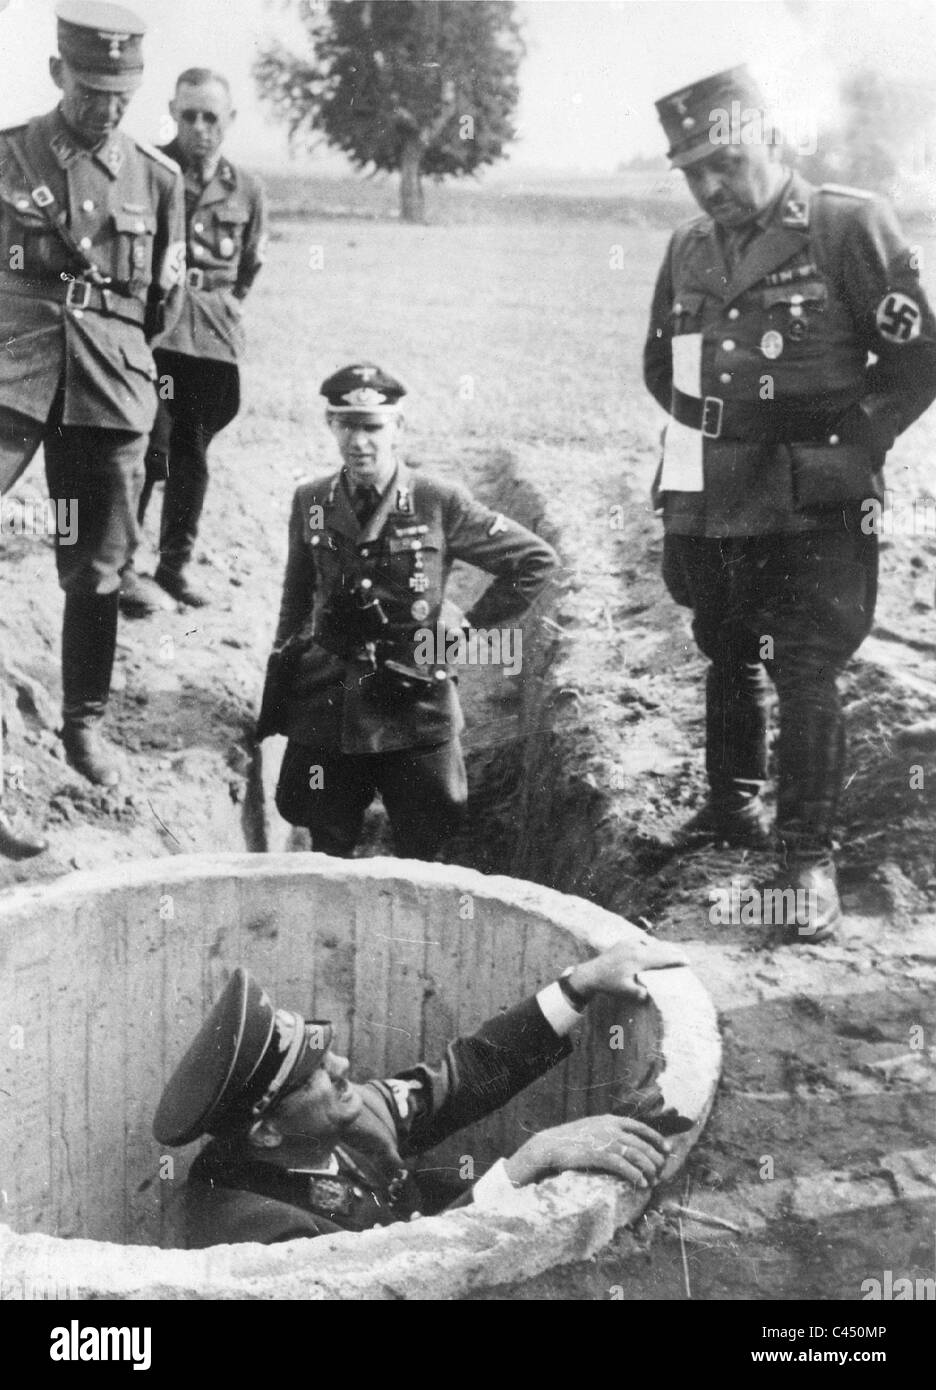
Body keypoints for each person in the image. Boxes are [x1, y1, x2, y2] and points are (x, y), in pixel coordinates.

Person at [643, 65, 936, 941]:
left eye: (724, 162)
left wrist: (849, 444)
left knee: (805, 665)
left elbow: (921, 357)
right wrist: (695, 469)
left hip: (817, 496)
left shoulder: (848, 223)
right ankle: (731, 806)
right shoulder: (690, 247)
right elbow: (663, 366)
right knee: (723, 642)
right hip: (714, 486)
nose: (710, 185)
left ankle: (807, 858)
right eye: (693, 171)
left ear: (770, 138)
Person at [153, 938, 688, 1247]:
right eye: (314, 1074)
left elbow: (461, 1078)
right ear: (266, 1131)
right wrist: (531, 1160)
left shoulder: (337, 1120)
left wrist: (580, 984)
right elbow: (406, 1268)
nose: (342, 1066)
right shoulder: (257, 1228)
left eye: (324, 1053)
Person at [257, 362, 560, 861]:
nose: (359, 442)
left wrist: (467, 628)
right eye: (347, 425)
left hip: (413, 694)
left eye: (373, 427)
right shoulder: (311, 499)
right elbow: (298, 591)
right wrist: (287, 667)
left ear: (398, 429)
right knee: (323, 828)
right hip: (331, 696)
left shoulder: (436, 500)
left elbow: (534, 561)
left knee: (429, 827)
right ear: (331, 426)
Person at [0, 1, 186, 787]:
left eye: (121, 94)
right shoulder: (8, 158)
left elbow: (163, 306)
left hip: (109, 388)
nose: (105, 107)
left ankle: (84, 728)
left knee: (98, 569)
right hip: (10, 372)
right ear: (56, 73)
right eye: (89, 90)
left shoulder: (159, 178)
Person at [120, 68, 267, 615]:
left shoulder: (248, 188)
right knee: (149, 449)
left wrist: (218, 304)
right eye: (189, 115)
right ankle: (124, 569)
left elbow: (249, 266)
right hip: (156, 331)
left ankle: (174, 568)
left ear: (229, 120)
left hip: (212, 340)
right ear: (173, 113)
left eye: (212, 117)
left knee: (192, 454)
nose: (200, 127)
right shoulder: (148, 170)